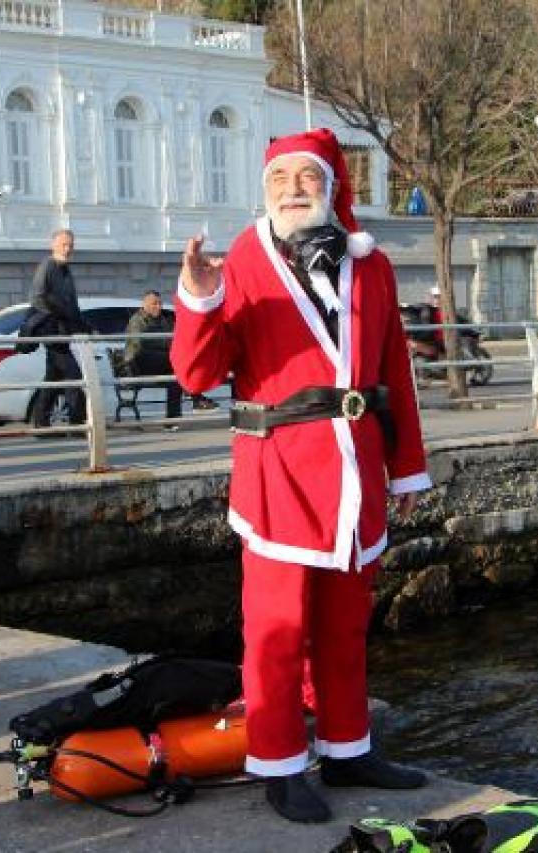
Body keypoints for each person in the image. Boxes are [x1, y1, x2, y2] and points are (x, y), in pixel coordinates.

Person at [170, 128, 432, 824]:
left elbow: (394, 371)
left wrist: (407, 471)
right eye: (279, 175)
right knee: (277, 632)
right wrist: (197, 299)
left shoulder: (371, 265)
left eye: (305, 176)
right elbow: (197, 374)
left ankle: (349, 749)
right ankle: (282, 763)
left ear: (332, 184)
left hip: (355, 477)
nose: (291, 187)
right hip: (278, 476)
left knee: (345, 628)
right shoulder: (243, 261)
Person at [122, 289, 215, 426]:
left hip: (163, 363)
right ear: (144, 304)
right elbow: (140, 344)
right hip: (140, 362)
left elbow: (177, 337)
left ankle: (172, 420)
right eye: (154, 303)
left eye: (160, 303)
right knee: (176, 361)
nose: (158, 307)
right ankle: (197, 398)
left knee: (176, 378)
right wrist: (170, 345)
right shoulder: (137, 320)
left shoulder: (164, 320)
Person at [28, 229, 90, 430]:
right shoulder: (48, 266)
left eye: (71, 245)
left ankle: (41, 422)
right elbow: (37, 297)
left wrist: (83, 326)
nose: (68, 249)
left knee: (53, 377)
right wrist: (56, 316)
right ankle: (77, 423)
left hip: (64, 332)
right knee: (74, 376)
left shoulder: (65, 269)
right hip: (53, 332)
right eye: (64, 244)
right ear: (53, 245)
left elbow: (71, 303)